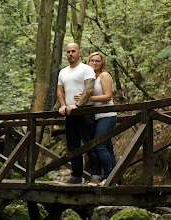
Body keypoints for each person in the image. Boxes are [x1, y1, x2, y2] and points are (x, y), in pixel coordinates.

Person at [74, 52, 117, 186]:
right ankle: (114, 177)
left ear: (102, 63)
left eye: (97, 61)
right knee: (108, 147)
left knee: (100, 146)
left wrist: (88, 98)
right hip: (96, 117)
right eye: (91, 60)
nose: (94, 63)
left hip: (107, 115)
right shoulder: (91, 78)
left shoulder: (104, 75)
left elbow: (108, 96)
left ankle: (109, 178)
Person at [57, 43, 96, 184]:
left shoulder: (87, 69)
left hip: (85, 111)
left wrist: (78, 105)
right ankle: (76, 176)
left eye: (73, 51)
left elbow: (89, 89)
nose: (70, 54)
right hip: (69, 113)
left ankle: (95, 176)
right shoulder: (63, 72)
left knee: (90, 143)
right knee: (73, 146)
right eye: (68, 51)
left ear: (79, 53)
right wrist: (63, 105)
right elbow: (60, 90)